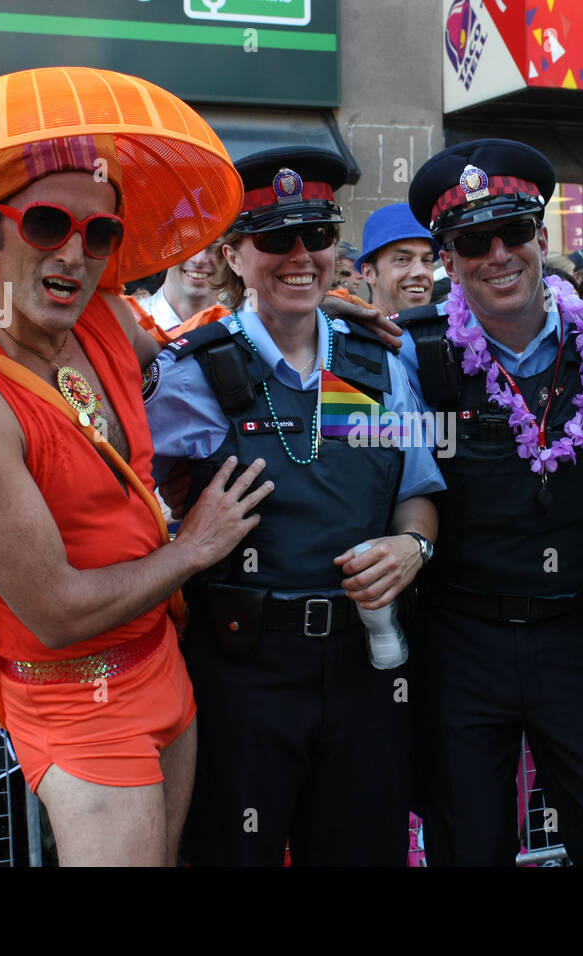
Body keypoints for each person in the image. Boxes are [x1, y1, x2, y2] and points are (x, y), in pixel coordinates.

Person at [0, 67, 269, 867]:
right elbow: (54, 611)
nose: (75, 253)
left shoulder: (105, 319)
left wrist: (311, 312)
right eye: (47, 223)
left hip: (163, 661)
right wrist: (194, 547)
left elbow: (191, 335)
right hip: (75, 695)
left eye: (100, 234)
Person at [145, 146, 443, 866]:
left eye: (317, 235)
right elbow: (114, 490)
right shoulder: (190, 372)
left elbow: (417, 492)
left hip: (367, 666)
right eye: (276, 239)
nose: (300, 256)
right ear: (233, 256)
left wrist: (413, 548)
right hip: (240, 670)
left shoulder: (377, 362)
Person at [398, 138, 583, 866]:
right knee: (470, 848)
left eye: (514, 232)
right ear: (447, 259)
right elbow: (383, 478)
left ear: (541, 238)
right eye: (472, 241)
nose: (498, 254)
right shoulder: (414, 353)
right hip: (460, 642)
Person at [355, 203, 438, 317]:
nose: (420, 272)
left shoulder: (454, 331)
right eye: (402, 259)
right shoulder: (342, 333)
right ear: (369, 273)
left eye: (427, 260)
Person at [145, 245, 219, 332]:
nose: (199, 260)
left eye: (212, 246)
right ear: (163, 250)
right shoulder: (131, 325)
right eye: (186, 243)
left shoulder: (237, 321)